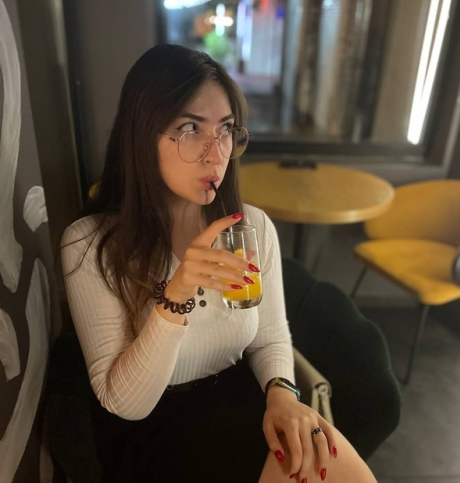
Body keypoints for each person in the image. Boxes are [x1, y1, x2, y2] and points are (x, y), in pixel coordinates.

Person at [61, 44, 377, 483]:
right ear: (141, 135)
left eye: (226, 129)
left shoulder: (250, 228)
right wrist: (175, 296)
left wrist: (282, 395)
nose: (216, 153)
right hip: (153, 434)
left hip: (237, 398)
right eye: (191, 128)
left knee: (333, 462)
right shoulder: (90, 244)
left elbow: (269, 337)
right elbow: (125, 404)